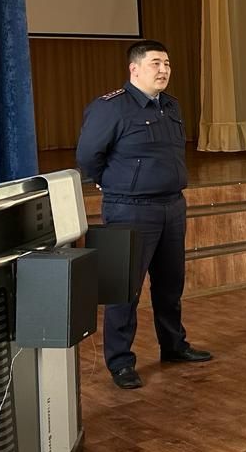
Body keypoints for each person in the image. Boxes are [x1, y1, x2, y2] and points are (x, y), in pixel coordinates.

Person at [75, 40, 211, 390]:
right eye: (155, 63)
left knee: (170, 284)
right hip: (129, 209)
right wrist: (109, 181)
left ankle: (174, 345)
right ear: (134, 69)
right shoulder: (111, 107)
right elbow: (88, 156)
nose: (163, 70)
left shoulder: (171, 106)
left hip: (172, 206)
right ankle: (120, 361)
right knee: (124, 290)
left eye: (167, 63)